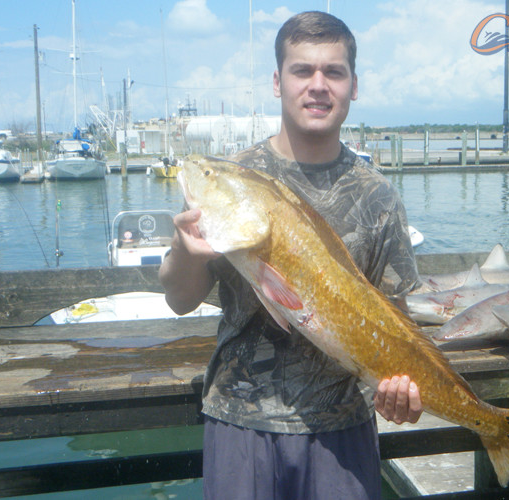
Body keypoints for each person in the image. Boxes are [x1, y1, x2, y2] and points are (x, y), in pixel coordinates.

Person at [159, 11, 423, 499]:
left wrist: (401, 388)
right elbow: (179, 300)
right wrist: (187, 251)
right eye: (303, 70)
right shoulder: (232, 179)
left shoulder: (378, 195)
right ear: (278, 82)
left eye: (334, 72)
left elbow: (396, 318)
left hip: (343, 427)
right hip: (240, 424)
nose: (318, 85)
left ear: (354, 86)